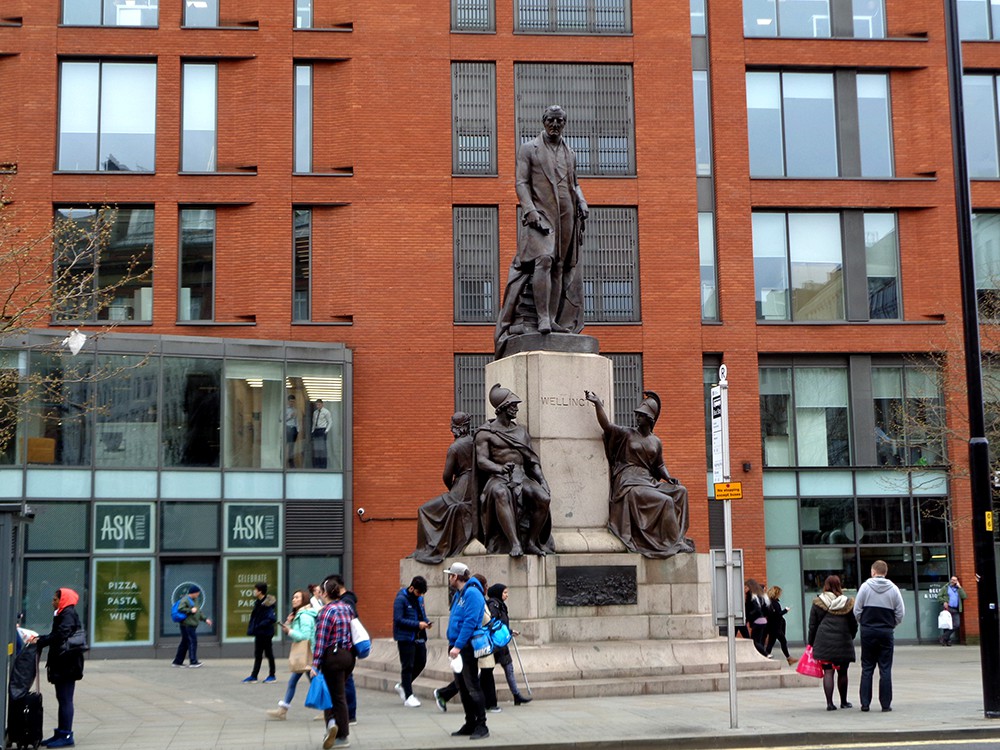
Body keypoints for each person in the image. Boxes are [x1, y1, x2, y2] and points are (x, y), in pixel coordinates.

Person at [495, 104, 588, 357]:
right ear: (544, 121)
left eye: (560, 121)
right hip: (541, 213)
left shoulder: (570, 153)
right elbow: (521, 182)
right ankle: (543, 317)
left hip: (566, 214)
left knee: (559, 264)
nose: (555, 125)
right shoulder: (529, 149)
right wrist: (529, 210)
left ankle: (554, 318)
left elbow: (574, 183)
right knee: (544, 259)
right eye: (551, 121)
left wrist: (581, 200)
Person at [585, 390, 694, 558]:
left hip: (648, 480)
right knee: (665, 501)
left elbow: (660, 464)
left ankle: (677, 536)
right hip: (629, 480)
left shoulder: (655, 441)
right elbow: (607, 426)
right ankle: (674, 542)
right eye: (637, 414)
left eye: (641, 415)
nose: (637, 417)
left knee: (681, 491)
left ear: (649, 419)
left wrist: (668, 477)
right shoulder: (627, 434)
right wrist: (598, 404)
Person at [475, 384, 553, 557]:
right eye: (512, 405)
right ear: (502, 408)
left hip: (521, 476)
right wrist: (499, 468)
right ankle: (515, 543)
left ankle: (531, 542)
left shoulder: (521, 432)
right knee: (501, 493)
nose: (516, 408)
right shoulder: (486, 433)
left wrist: (542, 481)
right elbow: (481, 461)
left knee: (543, 498)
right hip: (498, 477)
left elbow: (532, 461)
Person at [413, 412, 478, 564]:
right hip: (474, 487)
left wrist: (452, 489)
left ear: (456, 428)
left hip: (460, 490)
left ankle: (427, 549)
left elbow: (446, 476)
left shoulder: (454, 448)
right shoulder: (474, 442)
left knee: (423, 509)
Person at [27, 588, 85, 748]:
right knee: (62, 699)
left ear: (63, 600)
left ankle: (66, 735)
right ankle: (61, 732)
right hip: (63, 663)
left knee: (66, 699)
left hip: (67, 664)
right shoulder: (62, 614)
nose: (52, 602)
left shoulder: (67, 614)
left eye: (55, 599)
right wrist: (42, 639)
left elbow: (61, 635)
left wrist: (40, 640)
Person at [445, 561, 489, 740]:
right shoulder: (459, 594)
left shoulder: (472, 593)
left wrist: (458, 646)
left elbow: (469, 623)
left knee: (472, 686)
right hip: (457, 645)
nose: (448, 578)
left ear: (456, 576)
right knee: (462, 687)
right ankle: (470, 722)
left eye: (450, 575)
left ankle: (482, 725)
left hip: (466, 647)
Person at [854, 560, 905, 712]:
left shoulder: (865, 587)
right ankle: (885, 704)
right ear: (885, 572)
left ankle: (865, 703)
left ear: (873, 572)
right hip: (886, 631)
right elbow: (900, 613)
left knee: (867, 668)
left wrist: (864, 622)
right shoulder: (894, 589)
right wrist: (891, 624)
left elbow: (857, 610)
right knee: (885, 668)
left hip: (868, 631)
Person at [312, 577, 356, 749]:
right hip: (348, 656)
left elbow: (321, 640)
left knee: (333, 696)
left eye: (321, 592)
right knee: (338, 694)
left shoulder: (325, 612)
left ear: (324, 594)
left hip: (333, 656)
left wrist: (315, 665)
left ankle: (339, 733)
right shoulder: (346, 608)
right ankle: (334, 727)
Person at [807, 575, 857, 711]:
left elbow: (812, 625)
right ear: (839, 585)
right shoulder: (847, 602)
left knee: (828, 672)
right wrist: (850, 636)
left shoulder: (818, 602)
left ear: (826, 585)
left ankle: (829, 703)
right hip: (843, 640)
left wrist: (811, 643)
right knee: (843, 672)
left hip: (824, 641)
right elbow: (853, 623)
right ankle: (844, 701)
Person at [267, 589, 317, 720]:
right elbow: (298, 631)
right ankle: (283, 710)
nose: (293, 600)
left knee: (314, 682)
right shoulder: (300, 615)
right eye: (293, 597)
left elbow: (304, 636)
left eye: (297, 598)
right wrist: (288, 624)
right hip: (305, 655)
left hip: (308, 654)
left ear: (303, 600)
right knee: (297, 682)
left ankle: (329, 710)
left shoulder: (305, 616)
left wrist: (289, 631)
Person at [485, 583, 532, 706]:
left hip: (502, 643)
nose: (507, 595)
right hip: (495, 644)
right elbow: (495, 624)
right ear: (498, 593)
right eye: (505, 592)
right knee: (484, 672)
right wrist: (508, 632)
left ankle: (516, 695)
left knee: (509, 668)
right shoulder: (493, 605)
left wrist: (509, 632)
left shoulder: (500, 605)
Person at [393, 576, 431, 707]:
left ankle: (404, 685)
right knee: (407, 666)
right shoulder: (401, 599)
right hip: (405, 637)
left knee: (421, 662)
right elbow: (398, 620)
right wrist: (417, 624)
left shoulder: (419, 599)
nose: (419, 595)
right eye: (418, 592)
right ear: (411, 588)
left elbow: (422, 615)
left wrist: (426, 622)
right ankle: (408, 696)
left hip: (419, 637)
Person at [242, 582, 278, 683]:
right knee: (258, 654)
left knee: (268, 653)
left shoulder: (267, 604)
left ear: (260, 591)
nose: (254, 591)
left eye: (255, 590)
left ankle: (272, 675)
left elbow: (271, 618)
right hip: (259, 632)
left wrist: (259, 625)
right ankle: (254, 676)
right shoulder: (258, 602)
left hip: (266, 633)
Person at [171, 584, 212, 668]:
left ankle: (177, 661)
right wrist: (190, 610)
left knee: (185, 643)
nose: (198, 594)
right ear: (193, 593)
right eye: (197, 593)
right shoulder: (185, 600)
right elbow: (180, 609)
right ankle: (193, 661)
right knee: (192, 642)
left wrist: (205, 619)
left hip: (191, 625)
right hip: (187, 625)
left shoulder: (195, 600)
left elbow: (198, 612)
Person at [764, 584, 795, 665]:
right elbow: (777, 614)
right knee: (783, 641)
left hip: (772, 626)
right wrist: (785, 610)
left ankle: (765, 657)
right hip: (775, 626)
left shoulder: (770, 602)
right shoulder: (775, 603)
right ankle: (789, 658)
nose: (780, 595)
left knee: (771, 643)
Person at [937, 575, 967, 646]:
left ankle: (943, 637)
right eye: (952, 579)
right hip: (948, 608)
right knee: (947, 625)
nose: (952, 581)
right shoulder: (945, 588)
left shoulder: (958, 589)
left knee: (956, 624)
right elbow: (939, 596)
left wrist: (960, 587)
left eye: (954, 580)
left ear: (957, 581)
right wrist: (944, 602)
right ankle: (947, 641)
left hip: (956, 609)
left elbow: (964, 596)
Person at [744, 579, 769, 656]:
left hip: (757, 621)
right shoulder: (761, 595)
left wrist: (748, 617)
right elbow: (766, 608)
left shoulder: (751, 596)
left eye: (745, 587)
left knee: (754, 641)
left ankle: (766, 653)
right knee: (758, 640)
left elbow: (755, 609)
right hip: (763, 620)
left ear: (750, 587)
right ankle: (760, 654)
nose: (744, 589)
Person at [312, 398, 332, 468]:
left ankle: (323, 466)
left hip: (322, 430)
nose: (318, 406)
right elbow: (314, 423)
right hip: (316, 430)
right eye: (317, 405)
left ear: (322, 404)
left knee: (323, 449)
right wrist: (312, 431)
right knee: (316, 449)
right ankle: (317, 465)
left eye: (319, 404)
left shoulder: (326, 412)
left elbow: (330, 422)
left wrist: (326, 431)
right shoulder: (315, 413)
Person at [285, 394, 300, 467]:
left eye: (293, 402)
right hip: (287, 428)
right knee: (285, 445)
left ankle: (291, 462)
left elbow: (296, 420)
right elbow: (281, 419)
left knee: (292, 446)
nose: (292, 403)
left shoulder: (295, 410)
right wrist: (289, 416)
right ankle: (284, 461)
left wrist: (298, 429)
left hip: (294, 429)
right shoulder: (285, 409)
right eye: (291, 401)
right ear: (288, 401)